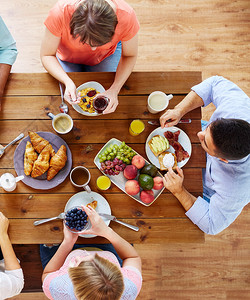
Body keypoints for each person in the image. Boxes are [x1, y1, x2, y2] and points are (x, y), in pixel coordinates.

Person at [160, 76, 250, 235]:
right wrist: (179, 110)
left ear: (222, 159)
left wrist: (180, 191)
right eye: (209, 128)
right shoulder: (237, 108)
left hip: (204, 184)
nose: (199, 134)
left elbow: (212, 225)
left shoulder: (237, 188)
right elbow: (214, 83)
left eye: (205, 142)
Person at [40, 0, 139, 114]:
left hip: (105, 56)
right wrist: (67, 81)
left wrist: (114, 89)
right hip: (67, 57)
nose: (93, 50)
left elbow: (129, 55)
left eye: (99, 44)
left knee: (108, 87)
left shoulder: (127, 16)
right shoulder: (59, 13)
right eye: (87, 43)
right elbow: (47, 55)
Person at [41, 205, 142, 299]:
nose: (79, 257)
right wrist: (107, 232)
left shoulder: (58, 289)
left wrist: (67, 243)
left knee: (45, 237)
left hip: (66, 253)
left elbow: (48, 273)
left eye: (77, 262)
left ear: (72, 280)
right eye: (99, 259)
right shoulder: (131, 287)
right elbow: (132, 257)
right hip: (106, 247)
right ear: (117, 272)